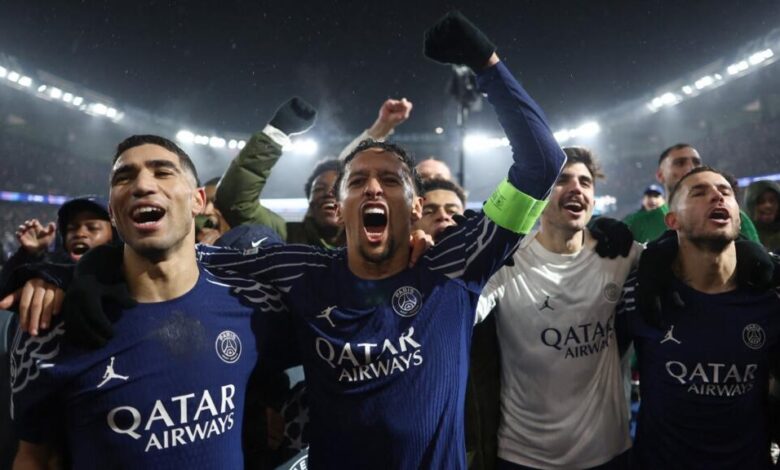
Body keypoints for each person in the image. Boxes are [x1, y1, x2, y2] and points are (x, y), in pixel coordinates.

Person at [59, 11, 566, 468]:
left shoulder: (455, 264)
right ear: (338, 209)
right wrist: (85, 268)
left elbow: (543, 163)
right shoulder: (295, 271)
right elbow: (175, 259)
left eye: (390, 181)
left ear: (414, 208)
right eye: (357, 182)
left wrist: (486, 63)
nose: (373, 188)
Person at [9, 135, 295, 468]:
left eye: (162, 172)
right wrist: (54, 273)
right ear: (113, 212)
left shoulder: (249, 302)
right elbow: (35, 458)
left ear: (197, 201)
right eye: (124, 177)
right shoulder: (50, 327)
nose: (143, 185)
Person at [474, 146, 639, 470]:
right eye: (562, 180)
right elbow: (459, 313)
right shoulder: (508, 262)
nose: (576, 188)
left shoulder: (620, 253)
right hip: (525, 456)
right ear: (540, 196)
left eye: (585, 182)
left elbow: (686, 260)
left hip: (609, 451)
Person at [617, 166, 780, 469]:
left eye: (725, 192)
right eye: (698, 192)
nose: (717, 196)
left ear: (738, 216)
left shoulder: (771, 299)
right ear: (672, 220)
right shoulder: (639, 293)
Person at [623, 143, 758, 243]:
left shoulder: (732, 216)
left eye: (696, 162)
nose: (690, 168)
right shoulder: (636, 224)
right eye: (680, 163)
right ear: (660, 175)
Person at [744, 179, 780, 252]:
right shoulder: (743, 236)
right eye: (761, 201)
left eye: (772, 201)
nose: (768, 205)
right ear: (751, 206)